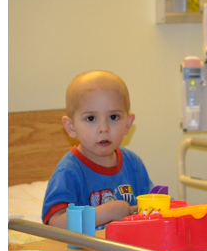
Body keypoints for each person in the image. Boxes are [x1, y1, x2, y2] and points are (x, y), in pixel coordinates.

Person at [41, 70, 154, 229]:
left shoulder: (132, 163)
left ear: (128, 124)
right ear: (71, 127)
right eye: (91, 118)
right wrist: (105, 213)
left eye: (113, 117)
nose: (104, 128)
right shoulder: (69, 171)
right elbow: (56, 223)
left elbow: (151, 205)